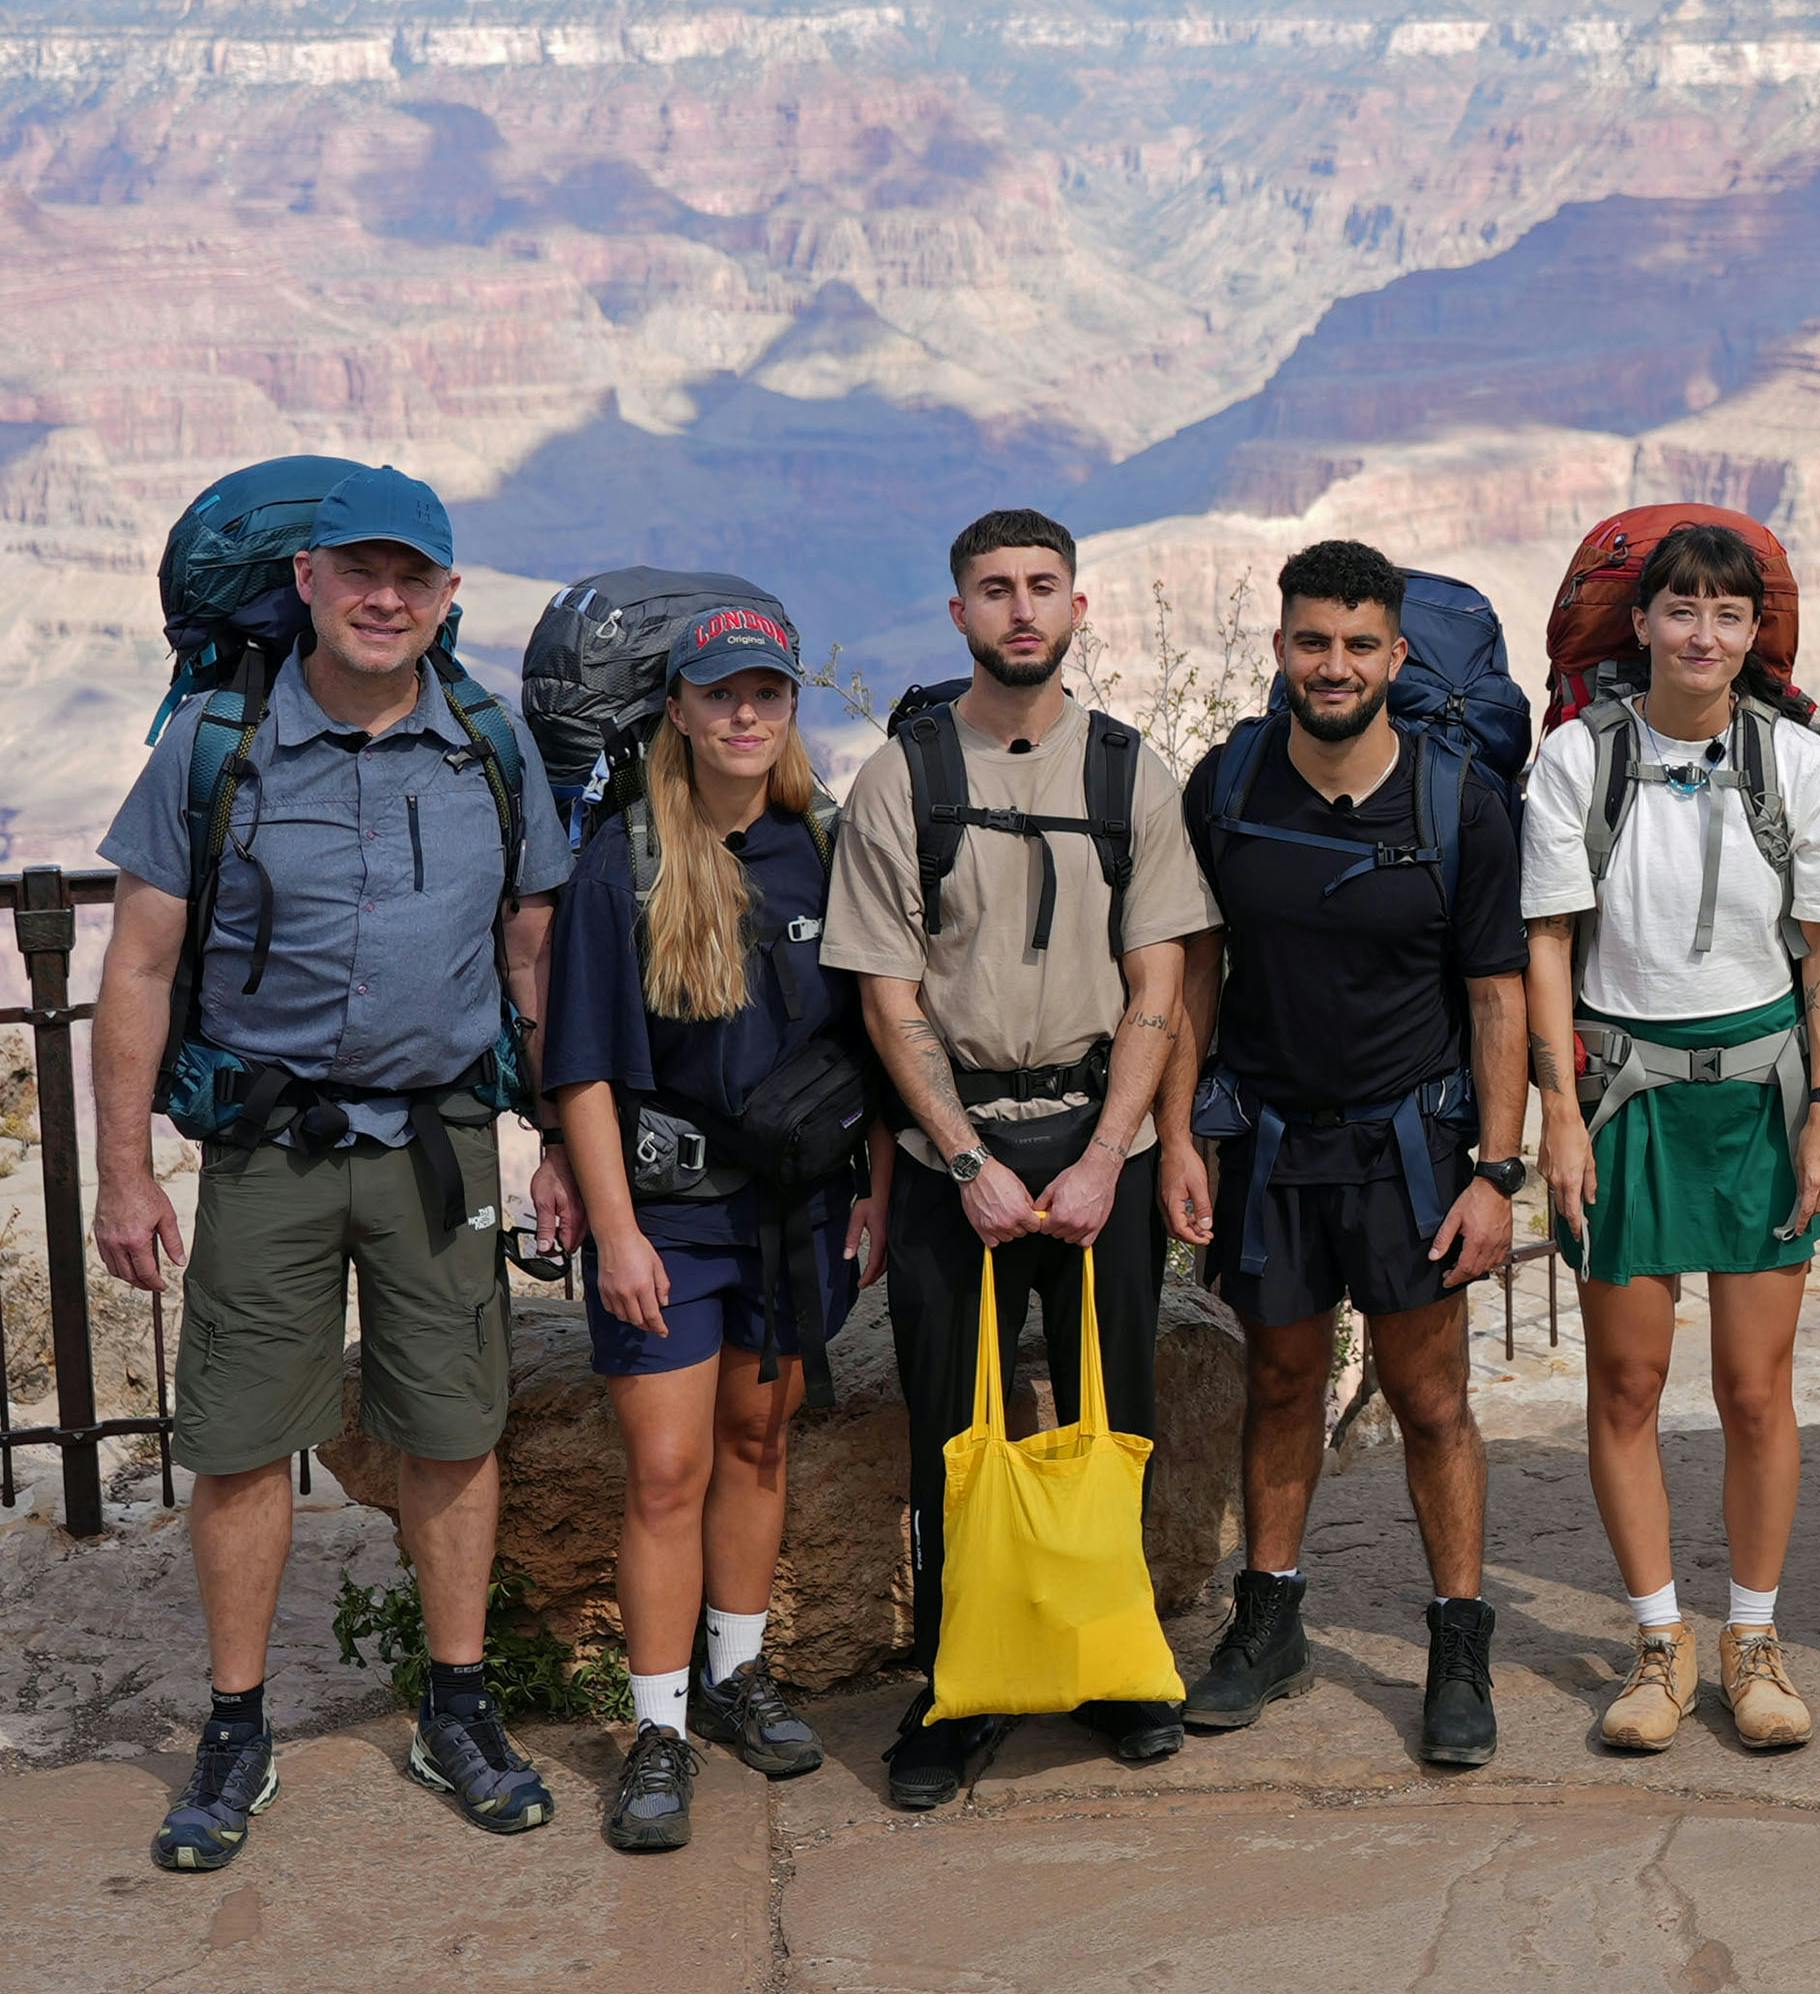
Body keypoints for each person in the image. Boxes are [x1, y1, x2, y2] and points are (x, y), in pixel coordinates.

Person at [91, 466, 576, 1868]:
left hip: (440, 1142)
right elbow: (135, 964)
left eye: (412, 577)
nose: (384, 598)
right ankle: (237, 1727)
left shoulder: (488, 745)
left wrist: (550, 1138)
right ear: (305, 580)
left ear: (447, 597)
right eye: (358, 572)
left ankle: (460, 1708)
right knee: (242, 1441)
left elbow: (529, 954)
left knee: (454, 1423)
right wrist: (126, 1176)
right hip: (269, 1147)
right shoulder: (216, 743)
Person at [822, 507, 1220, 1809]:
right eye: (994, 589)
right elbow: (889, 994)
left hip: (1100, 1133)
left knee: (1117, 1418)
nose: (1021, 609)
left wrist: (1114, 1153)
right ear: (959, 614)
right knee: (954, 1431)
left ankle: (1114, 1668)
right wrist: (962, 1157)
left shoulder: (1126, 774)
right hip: (963, 1153)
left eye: (1044, 585)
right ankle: (956, 1687)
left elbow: (1163, 979)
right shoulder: (906, 779)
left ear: (1078, 607)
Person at [1164, 539, 1526, 1767]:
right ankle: (1269, 1627)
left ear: (1397, 656)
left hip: (1413, 1152)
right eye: (1313, 641)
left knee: (1433, 1402)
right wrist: (1180, 1137)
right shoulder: (1228, 787)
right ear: (1279, 649)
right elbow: (1195, 973)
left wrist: (1499, 1170)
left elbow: (1496, 997)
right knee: (1279, 1386)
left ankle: (1458, 1648)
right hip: (1268, 1145)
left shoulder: (1454, 802)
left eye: (1359, 644)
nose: (1335, 664)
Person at [547, 606, 893, 1851]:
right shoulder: (622, 864)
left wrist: (880, 1193)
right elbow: (582, 1069)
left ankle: (739, 1675)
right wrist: (618, 1233)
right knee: (666, 1470)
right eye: (719, 696)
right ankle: (658, 1728)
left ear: (788, 709)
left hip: (798, 1212)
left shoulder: (827, 848)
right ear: (678, 714)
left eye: (767, 694)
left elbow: (875, 1043)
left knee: (759, 1446)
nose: (745, 716)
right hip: (673, 1219)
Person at [1523, 519, 1820, 1754]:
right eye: (1682, 609)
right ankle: (1660, 1644)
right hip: (1628, 1099)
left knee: (1755, 1387)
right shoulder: (1578, 760)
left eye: (1730, 614)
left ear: (1753, 633)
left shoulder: (1795, 763)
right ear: (1644, 623)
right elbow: (1550, 942)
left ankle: (1754, 1639)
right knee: (1626, 1384)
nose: (1705, 635)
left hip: (1765, 1095)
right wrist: (1557, 1115)